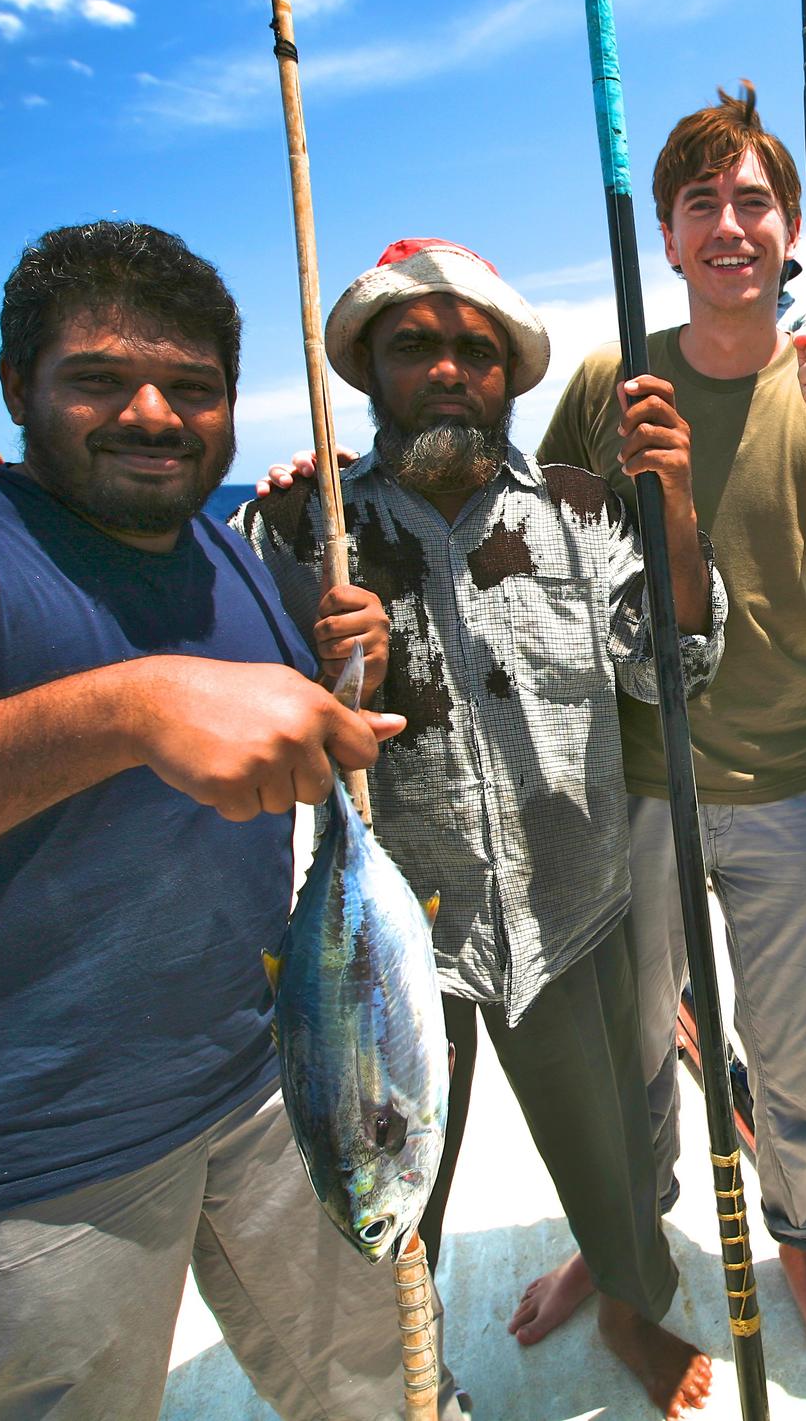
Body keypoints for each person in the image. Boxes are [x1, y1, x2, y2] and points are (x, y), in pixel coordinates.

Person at [0, 221, 452, 1421]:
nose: (151, 415)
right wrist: (128, 708)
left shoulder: (232, 565)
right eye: (96, 380)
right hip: (33, 1172)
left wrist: (351, 671)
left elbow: (280, 724)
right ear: (17, 387)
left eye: (192, 389)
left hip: (280, 1088)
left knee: (381, 1394)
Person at [235, 236, 726, 1419]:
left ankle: (625, 1301)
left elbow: (682, 668)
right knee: (386, 1185)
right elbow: (237, 719)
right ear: (365, 374)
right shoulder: (301, 529)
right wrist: (318, 667)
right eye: (415, 348)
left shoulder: (590, 510)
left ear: (510, 375)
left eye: (475, 351)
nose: (449, 370)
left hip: (574, 912)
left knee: (614, 1161)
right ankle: (398, 1364)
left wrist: (674, 506)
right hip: (388, 951)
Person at [527, 82, 806, 1380]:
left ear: (792, 233)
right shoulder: (604, 378)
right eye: (702, 204)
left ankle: (804, 1233)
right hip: (635, 781)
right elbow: (534, 568)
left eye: (755, 201)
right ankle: (626, 1241)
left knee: (800, 1055)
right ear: (668, 242)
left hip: (794, 780)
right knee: (625, 1051)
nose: (730, 223)